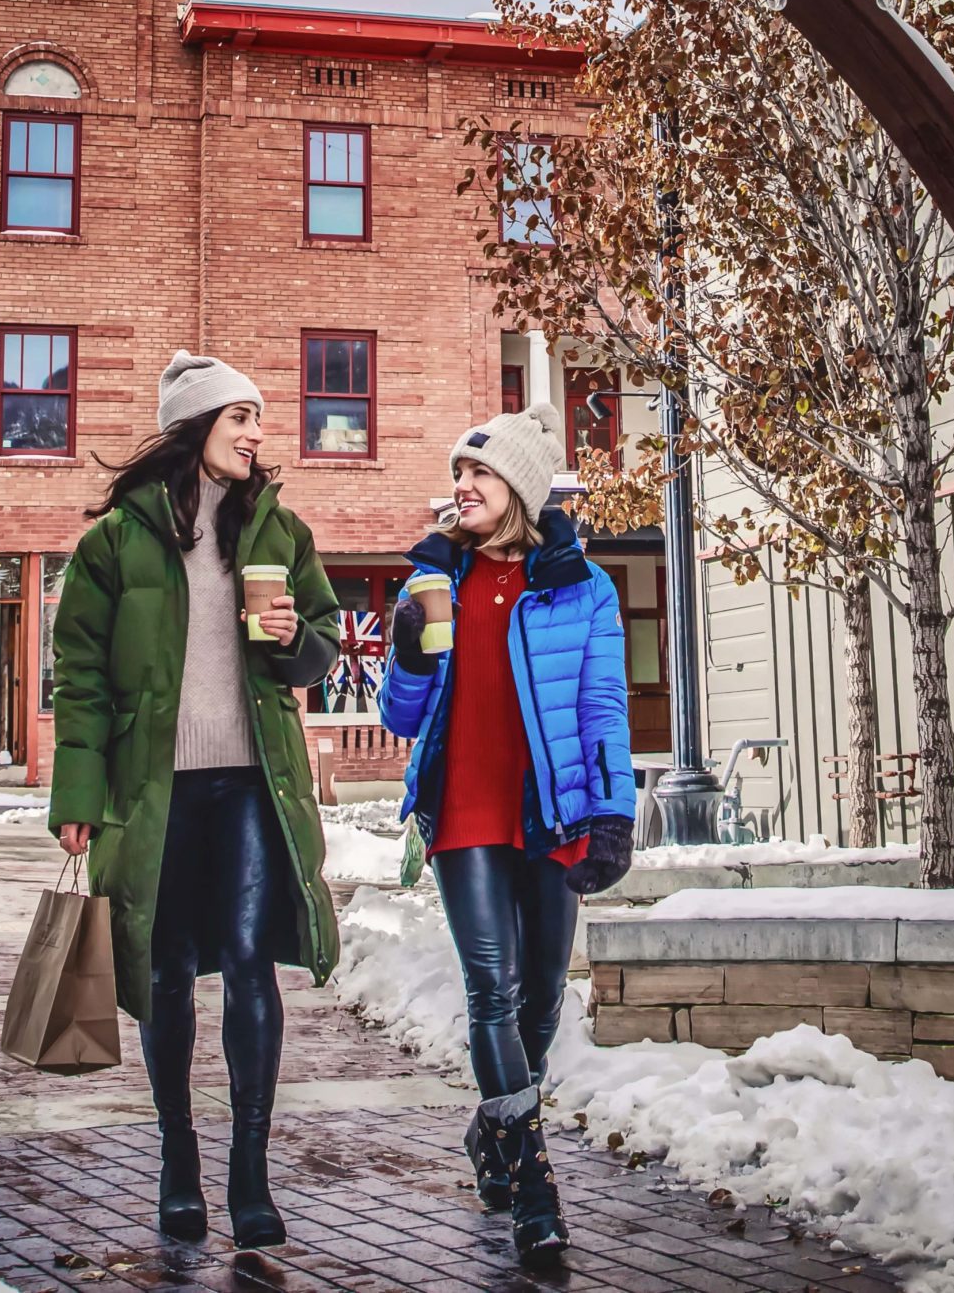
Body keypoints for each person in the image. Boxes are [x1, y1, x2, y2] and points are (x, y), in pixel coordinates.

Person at [48, 352, 342, 1250]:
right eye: (238, 418)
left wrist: (298, 641)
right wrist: (80, 792)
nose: (257, 433)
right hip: (154, 790)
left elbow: (326, 638)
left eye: (258, 418)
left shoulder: (279, 530)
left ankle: (248, 1171)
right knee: (165, 970)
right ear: (195, 429)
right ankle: (180, 1160)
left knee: (253, 962)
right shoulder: (114, 543)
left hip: (254, 782)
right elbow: (81, 678)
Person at [378, 401, 636, 1267]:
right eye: (459, 473)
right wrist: (410, 655)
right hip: (463, 810)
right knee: (489, 991)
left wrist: (614, 813)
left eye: (479, 472)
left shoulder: (580, 585)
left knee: (539, 1002)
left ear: (518, 486)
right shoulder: (434, 579)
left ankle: (491, 1130)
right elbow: (401, 715)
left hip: (551, 810)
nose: (462, 486)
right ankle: (534, 1186)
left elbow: (602, 705)